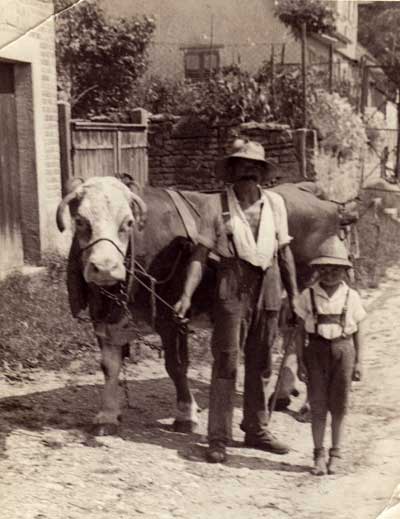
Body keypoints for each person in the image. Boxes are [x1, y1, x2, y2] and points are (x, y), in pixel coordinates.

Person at [174, 139, 298, 463]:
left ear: (263, 172)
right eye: (242, 166)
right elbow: (200, 255)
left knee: (261, 362)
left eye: (255, 167)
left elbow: (284, 252)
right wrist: (186, 295)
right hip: (233, 283)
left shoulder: (275, 204)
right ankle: (217, 436)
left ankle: (256, 429)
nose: (249, 171)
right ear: (231, 171)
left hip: (269, 283)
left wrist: (294, 297)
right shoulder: (215, 206)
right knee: (226, 360)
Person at [295, 235, 366, 476]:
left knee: (339, 406)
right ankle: (318, 455)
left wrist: (359, 361)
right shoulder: (308, 295)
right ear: (317, 270)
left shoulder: (351, 296)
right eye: (324, 269)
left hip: (343, 350)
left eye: (336, 269)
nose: (330, 274)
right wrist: (300, 360)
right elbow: (298, 331)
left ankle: (336, 453)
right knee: (317, 406)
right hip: (315, 351)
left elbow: (359, 331)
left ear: (345, 271)